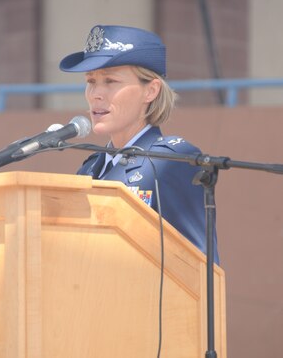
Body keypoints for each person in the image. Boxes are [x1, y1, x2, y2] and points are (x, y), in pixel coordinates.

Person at [60, 24, 219, 264]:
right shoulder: (90, 169)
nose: (95, 94)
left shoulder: (172, 162)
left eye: (110, 81)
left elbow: (200, 267)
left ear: (150, 91)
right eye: (91, 81)